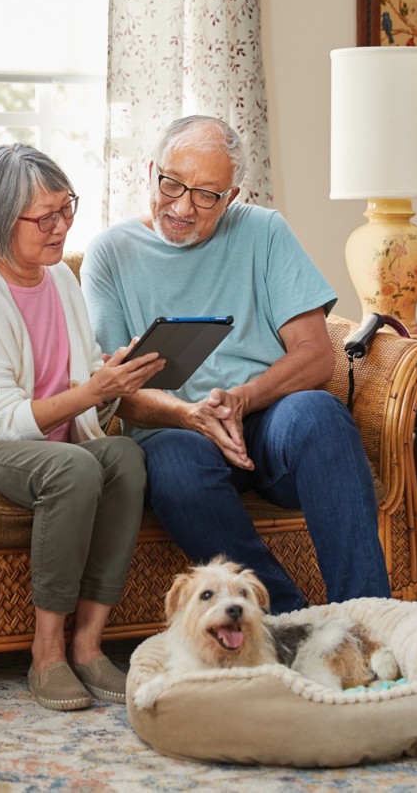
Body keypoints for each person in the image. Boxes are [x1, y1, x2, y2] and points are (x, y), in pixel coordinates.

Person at [80, 115, 392, 615]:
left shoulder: (264, 231)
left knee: (320, 415)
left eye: (207, 195)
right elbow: (114, 391)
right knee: (174, 463)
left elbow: (315, 355)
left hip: (265, 423)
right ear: (151, 170)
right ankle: (289, 622)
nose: (182, 206)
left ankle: (369, 617)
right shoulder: (110, 254)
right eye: (172, 184)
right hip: (175, 429)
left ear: (234, 197)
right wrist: (191, 415)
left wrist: (242, 399)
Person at [0, 143, 165, 711]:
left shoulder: (61, 282)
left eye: (66, 209)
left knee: (124, 458)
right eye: (44, 217)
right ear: (0, 220)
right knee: (73, 467)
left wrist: (112, 376)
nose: (61, 227)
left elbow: (77, 381)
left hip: (53, 443)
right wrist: (90, 391)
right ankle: (46, 652)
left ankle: (90, 645)